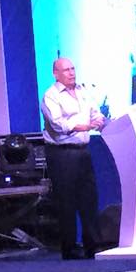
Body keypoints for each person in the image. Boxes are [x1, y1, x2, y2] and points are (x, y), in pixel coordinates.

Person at [40, 56, 105, 260]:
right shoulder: (50, 96)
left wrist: (99, 121)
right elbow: (58, 124)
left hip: (83, 151)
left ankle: (93, 245)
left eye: (73, 68)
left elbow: (95, 113)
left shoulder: (83, 91)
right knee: (66, 201)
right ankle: (69, 248)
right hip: (62, 154)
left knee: (89, 199)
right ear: (56, 74)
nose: (71, 73)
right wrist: (84, 126)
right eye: (66, 70)